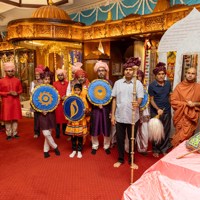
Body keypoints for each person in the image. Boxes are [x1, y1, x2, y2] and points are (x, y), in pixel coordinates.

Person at [111, 57, 144, 168]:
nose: (128, 71)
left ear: (133, 71)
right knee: (120, 139)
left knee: (132, 139)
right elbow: (114, 99)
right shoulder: (117, 83)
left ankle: (131, 160)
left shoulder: (138, 83)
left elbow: (140, 98)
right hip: (120, 116)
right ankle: (120, 159)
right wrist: (113, 116)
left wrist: (137, 103)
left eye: (130, 69)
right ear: (123, 71)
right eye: (126, 69)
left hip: (133, 117)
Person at [171, 67, 200, 147]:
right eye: (189, 73)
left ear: (195, 75)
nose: (190, 75)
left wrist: (194, 104)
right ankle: (175, 156)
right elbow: (173, 101)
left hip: (191, 117)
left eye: (193, 73)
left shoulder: (198, 87)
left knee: (187, 139)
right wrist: (186, 104)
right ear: (186, 74)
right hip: (180, 116)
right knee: (178, 138)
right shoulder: (179, 87)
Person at [148, 62, 171, 157]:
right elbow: (151, 100)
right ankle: (156, 149)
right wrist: (157, 109)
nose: (161, 76)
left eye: (163, 74)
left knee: (166, 131)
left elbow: (169, 96)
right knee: (156, 132)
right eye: (159, 74)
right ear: (155, 75)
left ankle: (164, 149)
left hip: (167, 111)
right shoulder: (152, 85)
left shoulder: (168, 84)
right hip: (155, 112)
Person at [37, 67, 60, 158]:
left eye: (49, 79)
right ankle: (55, 146)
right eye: (45, 79)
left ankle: (46, 150)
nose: (47, 81)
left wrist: (52, 107)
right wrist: (41, 110)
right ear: (42, 79)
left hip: (51, 113)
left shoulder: (53, 89)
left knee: (49, 132)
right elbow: (34, 102)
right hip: (42, 114)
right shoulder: (37, 89)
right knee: (46, 133)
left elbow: (56, 101)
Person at [90, 61, 112, 155]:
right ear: (97, 72)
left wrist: (111, 111)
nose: (101, 72)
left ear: (106, 71)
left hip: (106, 109)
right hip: (95, 109)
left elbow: (112, 97)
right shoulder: (93, 83)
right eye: (99, 71)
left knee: (107, 128)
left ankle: (106, 146)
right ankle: (94, 145)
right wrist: (96, 103)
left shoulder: (110, 83)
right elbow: (89, 96)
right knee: (94, 127)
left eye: (103, 70)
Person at [65, 83, 89, 158]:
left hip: (81, 121)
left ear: (81, 91)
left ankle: (79, 150)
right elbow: (66, 108)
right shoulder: (70, 98)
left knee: (80, 136)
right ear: (73, 90)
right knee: (73, 136)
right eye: (75, 90)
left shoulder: (83, 99)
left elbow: (87, 109)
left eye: (78, 90)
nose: (76, 92)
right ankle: (74, 150)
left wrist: (85, 110)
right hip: (73, 121)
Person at [0, 62, 22, 140]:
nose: (10, 72)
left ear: (14, 71)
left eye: (11, 71)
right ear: (5, 71)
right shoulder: (1, 81)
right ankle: (8, 134)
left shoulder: (17, 80)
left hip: (15, 101)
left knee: (15, 118)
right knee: (7, 118)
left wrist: (17, 93)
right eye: (8, 71)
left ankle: (15, 133)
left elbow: (20, 90)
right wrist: (8, 93)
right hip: (6, 102)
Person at [136, 70, 150, 155]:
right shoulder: (131, 87)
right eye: (136, 76)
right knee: (134, 130)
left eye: (139, 76)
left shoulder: (146, 87)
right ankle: (133, 147)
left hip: (144, 111)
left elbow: (148, 99)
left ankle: (143, 148)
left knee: (144, 130)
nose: (138, 78)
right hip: (134, 111)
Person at [53, 69, 68, 138]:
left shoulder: (68, 83)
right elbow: (53, 93)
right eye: (58, 75)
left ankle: (65, 131)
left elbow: (69, 92)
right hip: (58, 103)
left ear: (64, 75)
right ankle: (57, 133)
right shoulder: (54, 83)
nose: (60, 76)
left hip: (65, 103)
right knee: (57, 119)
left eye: (61, 75)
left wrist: (66, 96)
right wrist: (59, 97)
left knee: (65, 118)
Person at [30, 64, 44, 138]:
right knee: (36, 118)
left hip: (43, 102)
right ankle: (36, 132)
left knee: (44, 117)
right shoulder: (33, 82)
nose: (37, 76)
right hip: (35, 102)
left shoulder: (44, 81)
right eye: (36, 74)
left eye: (38, 74)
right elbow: (31, 92)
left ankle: (45, 130)